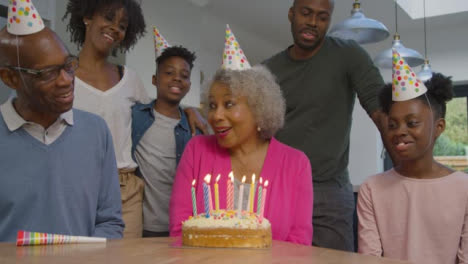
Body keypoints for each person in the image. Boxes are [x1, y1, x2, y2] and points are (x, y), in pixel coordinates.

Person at [263, 0, 385, 250]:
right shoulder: (268, 70)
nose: (312, 23)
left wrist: (403, 171)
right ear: (291, 14)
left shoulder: (348, 55)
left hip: (329, 190)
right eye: (306, 13)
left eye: (322, 17)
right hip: (279, 188)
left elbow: (380, 108)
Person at [0, 26, 124, 242]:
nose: (66, 80)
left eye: (68, 66)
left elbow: (110, 223)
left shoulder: (96, 132)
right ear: (10, 78)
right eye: (47, 73)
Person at [169, 66, 313, 245]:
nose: (216, 116)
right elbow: (179, 232)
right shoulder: (196, 150)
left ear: (258, 108)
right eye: (213, 106)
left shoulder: (296, 164)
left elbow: (299, 243)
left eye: (229, 104)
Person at [357, 72, 468, 263]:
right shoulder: (372, 188)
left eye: (412, 123)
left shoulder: (463, 188)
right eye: (392, 125)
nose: (399, 131)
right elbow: (370, 259)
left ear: (439, 127)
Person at [63, 0, 149, 238]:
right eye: (109, 17)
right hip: (74, 185)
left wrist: (189, 111)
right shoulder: (62, 74)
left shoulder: (130, 79)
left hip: (125, 190)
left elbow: (155, 114)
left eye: (122, 25)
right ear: (87, 17)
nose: (115, 28)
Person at [131, 46, 200, 237]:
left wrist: (195, 113)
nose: (177, 78)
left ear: (189, 84)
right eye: (169, 72)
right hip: (140, 223)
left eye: (184, 75)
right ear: (155, 79)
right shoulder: (135, 115)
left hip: (180, 226)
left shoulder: (194, 128)